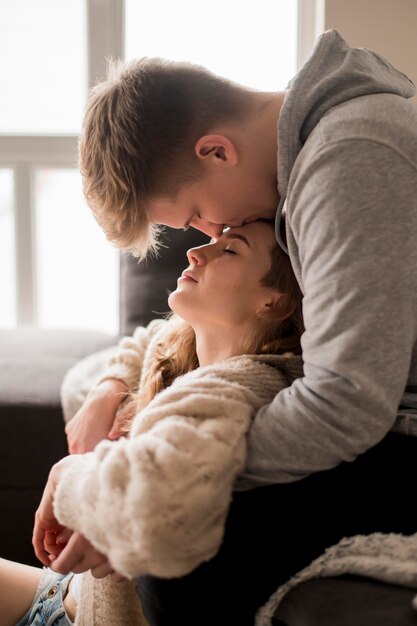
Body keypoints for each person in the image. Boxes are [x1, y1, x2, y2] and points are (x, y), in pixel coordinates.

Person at [2, 221, 303, 626]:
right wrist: (107, 389)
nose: (196, 252)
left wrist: (69, 474)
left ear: (276, 302)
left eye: (230, 251)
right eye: (212, 242)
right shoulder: (187, 347)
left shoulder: (242, 385)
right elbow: (147, 338)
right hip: (58, 593)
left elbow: (159, 495)